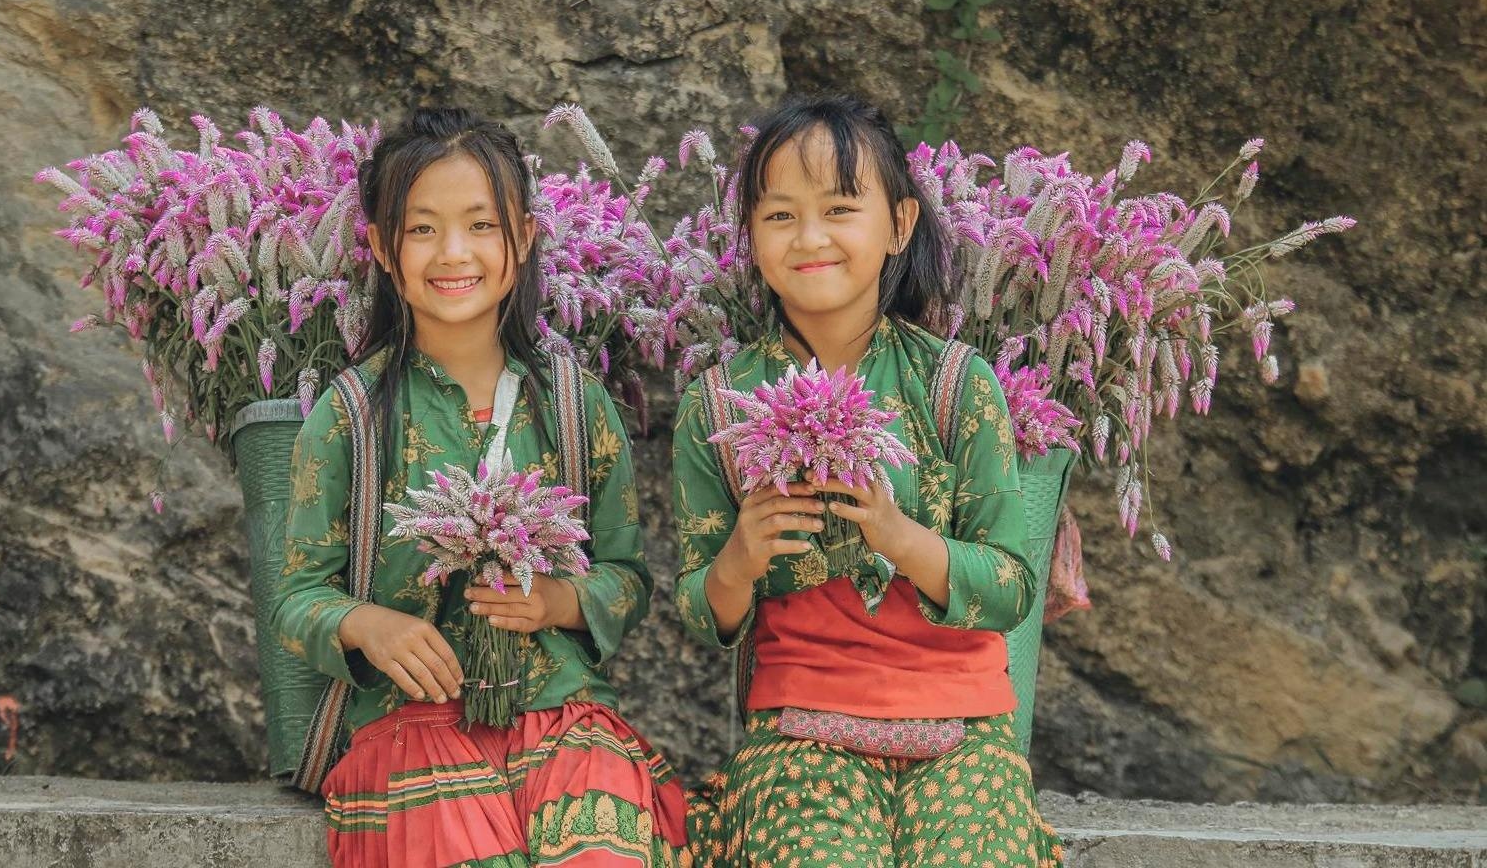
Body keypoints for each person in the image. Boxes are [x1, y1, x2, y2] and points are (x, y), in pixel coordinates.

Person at [273, 107, 686, 867]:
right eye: (422, 228)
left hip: (564, 725)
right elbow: (297, 596)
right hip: (412, 730)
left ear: (524, 238)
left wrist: (560, 602)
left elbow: (628, 576)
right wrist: (370, 625)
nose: (453, 252)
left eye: (481, 226)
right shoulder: (351, 416)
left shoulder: (572, 404)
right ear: (382, 248)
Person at [672, 95, 1063, 867]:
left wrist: (901, 539)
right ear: (750, 236)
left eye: (840, 209)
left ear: (899, 226)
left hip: (964, 734)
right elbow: (699, 611)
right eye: (779, 215)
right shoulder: (720, 405)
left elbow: (1014, 583)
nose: (809, 238)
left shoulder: (956, 384)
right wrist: (739, 560)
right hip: (801, 729)